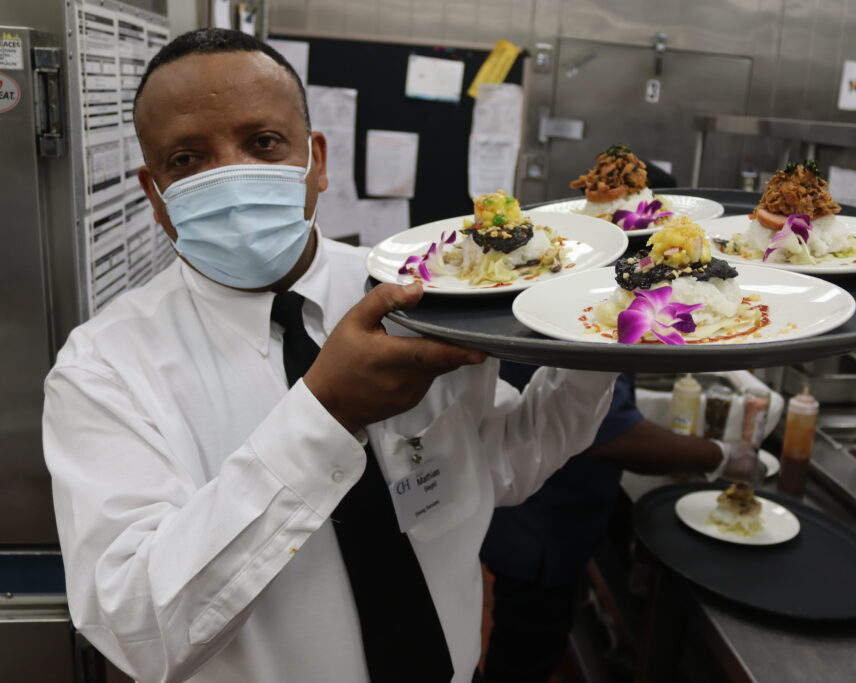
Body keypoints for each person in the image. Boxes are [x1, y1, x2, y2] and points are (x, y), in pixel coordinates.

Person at [42, 29, 615, 683]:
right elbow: (140, 629)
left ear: (316, 159)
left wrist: (600, 334)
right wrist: (324, 414)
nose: (232, 174)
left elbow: (507, 461)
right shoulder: (104, 370)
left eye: (262, 143)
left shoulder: (419, 292)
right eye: (188, 159)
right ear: (154, 192)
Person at [480, 364, 765, 683]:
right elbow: (612, 435)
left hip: (548, 519)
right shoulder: (571, 322)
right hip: (538, 532)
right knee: (523, 657)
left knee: (529, 645)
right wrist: (721, 456)